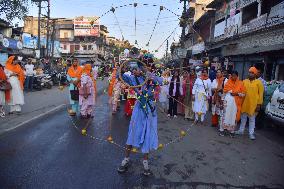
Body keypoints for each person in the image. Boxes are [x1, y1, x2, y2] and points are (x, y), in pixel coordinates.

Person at [117, 65, 164, 176]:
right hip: (139, 108)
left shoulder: (151, 77)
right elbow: (121, 76)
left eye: (137, 68)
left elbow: (161, 82)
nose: (134, 70)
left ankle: (145, 163)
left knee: (148, 134)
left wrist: (150, 76)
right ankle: (126, 159)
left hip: (150, 109)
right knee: (133, 132)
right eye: (133, 69)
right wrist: (121, 68)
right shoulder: (133, 79)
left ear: (143, 69)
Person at [235, 67, 264, 140]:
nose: (250, 74)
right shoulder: (244, 81)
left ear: (255, 74)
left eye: (252, 73)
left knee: (252, 119)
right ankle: (241, 130)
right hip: (244, 103)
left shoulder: (259, 83)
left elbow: (261, 94)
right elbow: (240, 91)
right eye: (249, 72)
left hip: (253, 105)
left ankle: (251, 133)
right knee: (243, 118)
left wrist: (259, 105)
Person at [220, 71, 245, 137]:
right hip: (227, 102)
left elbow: (243, 94)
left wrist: (236, 94)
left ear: (237, 76)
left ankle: (231, 131)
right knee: (225, 116)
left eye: (234, 76)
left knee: (233, 116)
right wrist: (221, 102)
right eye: (232, 76)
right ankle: (222, 130)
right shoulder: (227, 82)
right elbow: (224, 92)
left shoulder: (241, 83)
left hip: (236, 103)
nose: (233, 77)